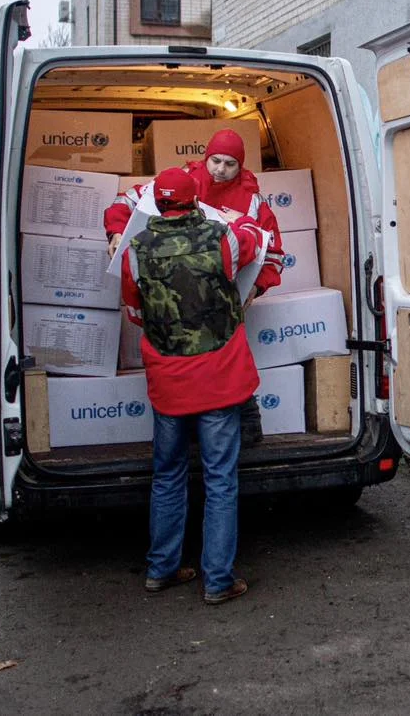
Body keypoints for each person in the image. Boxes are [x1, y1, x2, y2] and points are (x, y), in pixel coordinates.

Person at [122, 168, 265, 605]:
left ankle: (161, 569)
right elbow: (253, 239)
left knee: (168, 474)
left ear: (157, 204)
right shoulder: (223, 239)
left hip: (169, 382)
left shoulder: (136, 250)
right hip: (218, 378)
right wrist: (235, 217)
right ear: (195, 200)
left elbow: (135, 312)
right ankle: (218, 581)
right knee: (220, 478)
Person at [105, 128, 284, 445]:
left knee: (227, 369)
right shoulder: (181, 182)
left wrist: (257, 287)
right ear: (206, 157)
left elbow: (273, 254)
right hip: (172, 298)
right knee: (189, 373)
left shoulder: (253, 202)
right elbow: (124, 202)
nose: (221, 169)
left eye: (230, 164)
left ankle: (244, 431)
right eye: (216, 161)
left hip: (221, 301)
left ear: (241, 165)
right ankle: (198, 440)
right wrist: (117, 231)